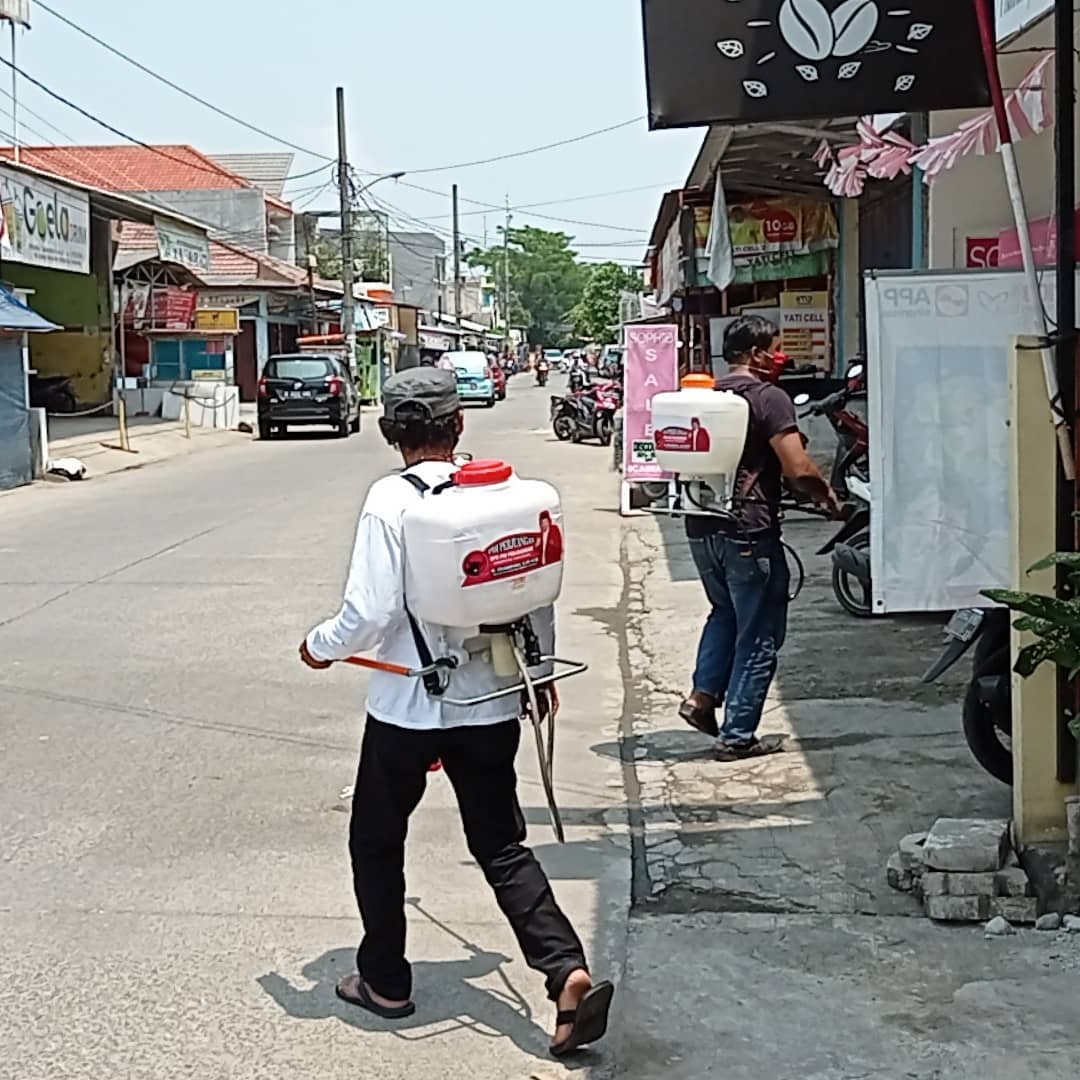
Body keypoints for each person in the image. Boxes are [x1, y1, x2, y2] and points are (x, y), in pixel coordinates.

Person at [299, 368, 613, 1057]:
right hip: (488, 700)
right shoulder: (498, 494)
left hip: (408, 707)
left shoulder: (391, 502)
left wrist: (320, 648)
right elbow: (536, 590)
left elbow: (371, 610)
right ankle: (565, 969)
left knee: (377, 841)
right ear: (459, 426)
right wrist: (536, 673)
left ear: (389, 433)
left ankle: (383, 980)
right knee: (501, 843)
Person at [679, 316, 841, 761]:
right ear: (755, 353)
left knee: (725, 613)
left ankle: (702, 698)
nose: (780, 356)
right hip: (749, 533)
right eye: (774, 347)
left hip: (700, 527)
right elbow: (798, 468)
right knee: (760, 634)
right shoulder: (770, 398)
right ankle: (737, 736)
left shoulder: (706, 397)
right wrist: (827, 496)